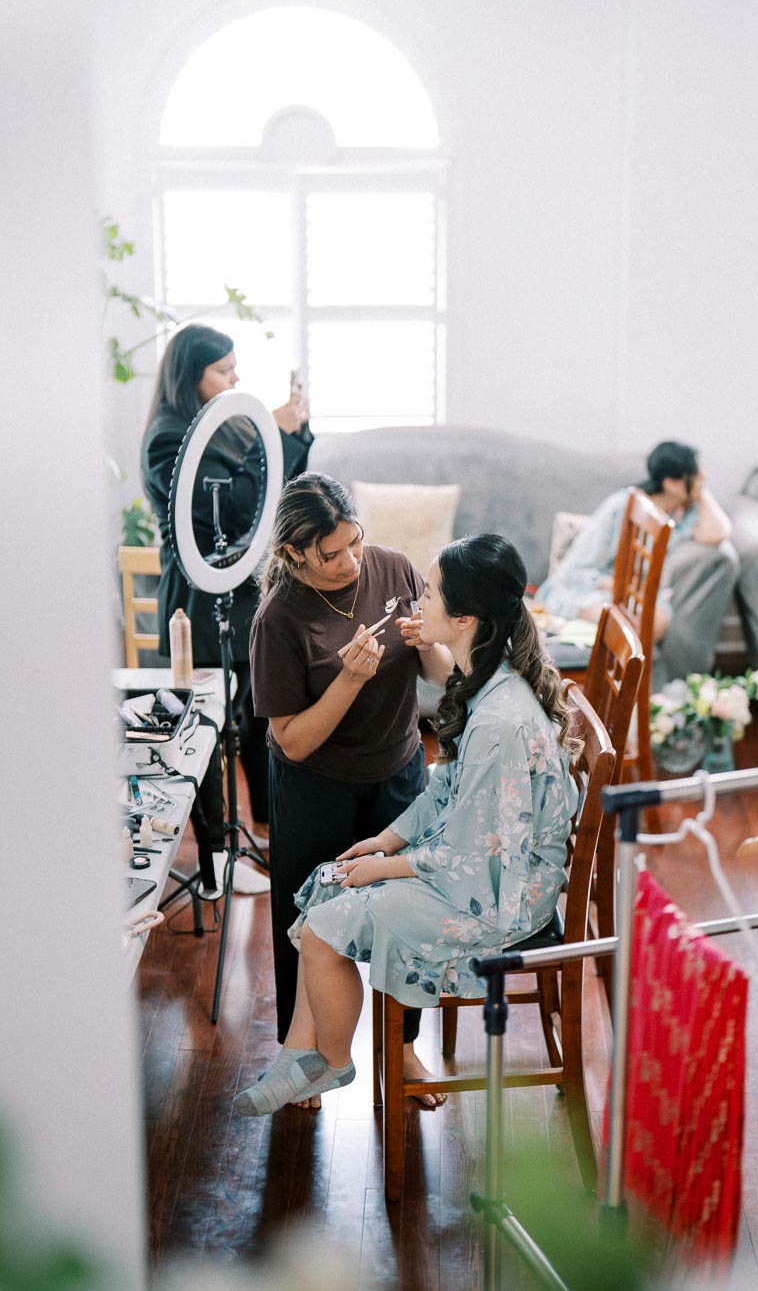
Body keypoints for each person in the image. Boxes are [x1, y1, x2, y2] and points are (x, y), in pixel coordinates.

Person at [234, 533, 581, 1117]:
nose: (418, 599)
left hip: (502, 897)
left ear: (465, 617)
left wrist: (383, 866)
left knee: (323, 927)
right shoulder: (485, 677)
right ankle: (300, 1056)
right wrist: (387, 839)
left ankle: (331, 1062)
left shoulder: (500, 720)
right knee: (328, 879)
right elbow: (445, 786)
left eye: (432, 591)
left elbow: (474, 855)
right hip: (479, 867)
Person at [248, 472, 455, 1107]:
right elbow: (293, 742)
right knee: (305, 920)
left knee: (407, 916)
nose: (349, 562)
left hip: (398, 771)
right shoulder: (278, 619)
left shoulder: (393, 570)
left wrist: (432, 645)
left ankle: (402, 1046)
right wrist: (346, 681)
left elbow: (440, 675)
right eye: (330, 554)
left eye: (354, 543)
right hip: (316, 786)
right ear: (293, 553)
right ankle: (306, 1054)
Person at [141, 324, 313, 883]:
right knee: (206, 730)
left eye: (236, 368)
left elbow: (273, 497)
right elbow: (232, 512)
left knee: (255, 716)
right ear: (189, 376)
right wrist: (277, 435)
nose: (236, 379)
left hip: (242, 595)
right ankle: (217, 853)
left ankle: (263, 831)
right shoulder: (169, 439)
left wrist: (295, 432)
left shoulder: (227, 426)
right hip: (198, 603)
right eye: (223, 370)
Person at [535, 441, 737, 680]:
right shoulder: (623, 505)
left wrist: (701, 492)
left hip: (634, 593)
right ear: (671, 483)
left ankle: (639, 695)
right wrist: (626, 588)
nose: (703, 477)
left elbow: (719, 532)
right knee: (649, 622)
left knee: (657, 620)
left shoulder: (684, 511)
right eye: (693, 474)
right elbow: (577, 569)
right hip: (587, 587)